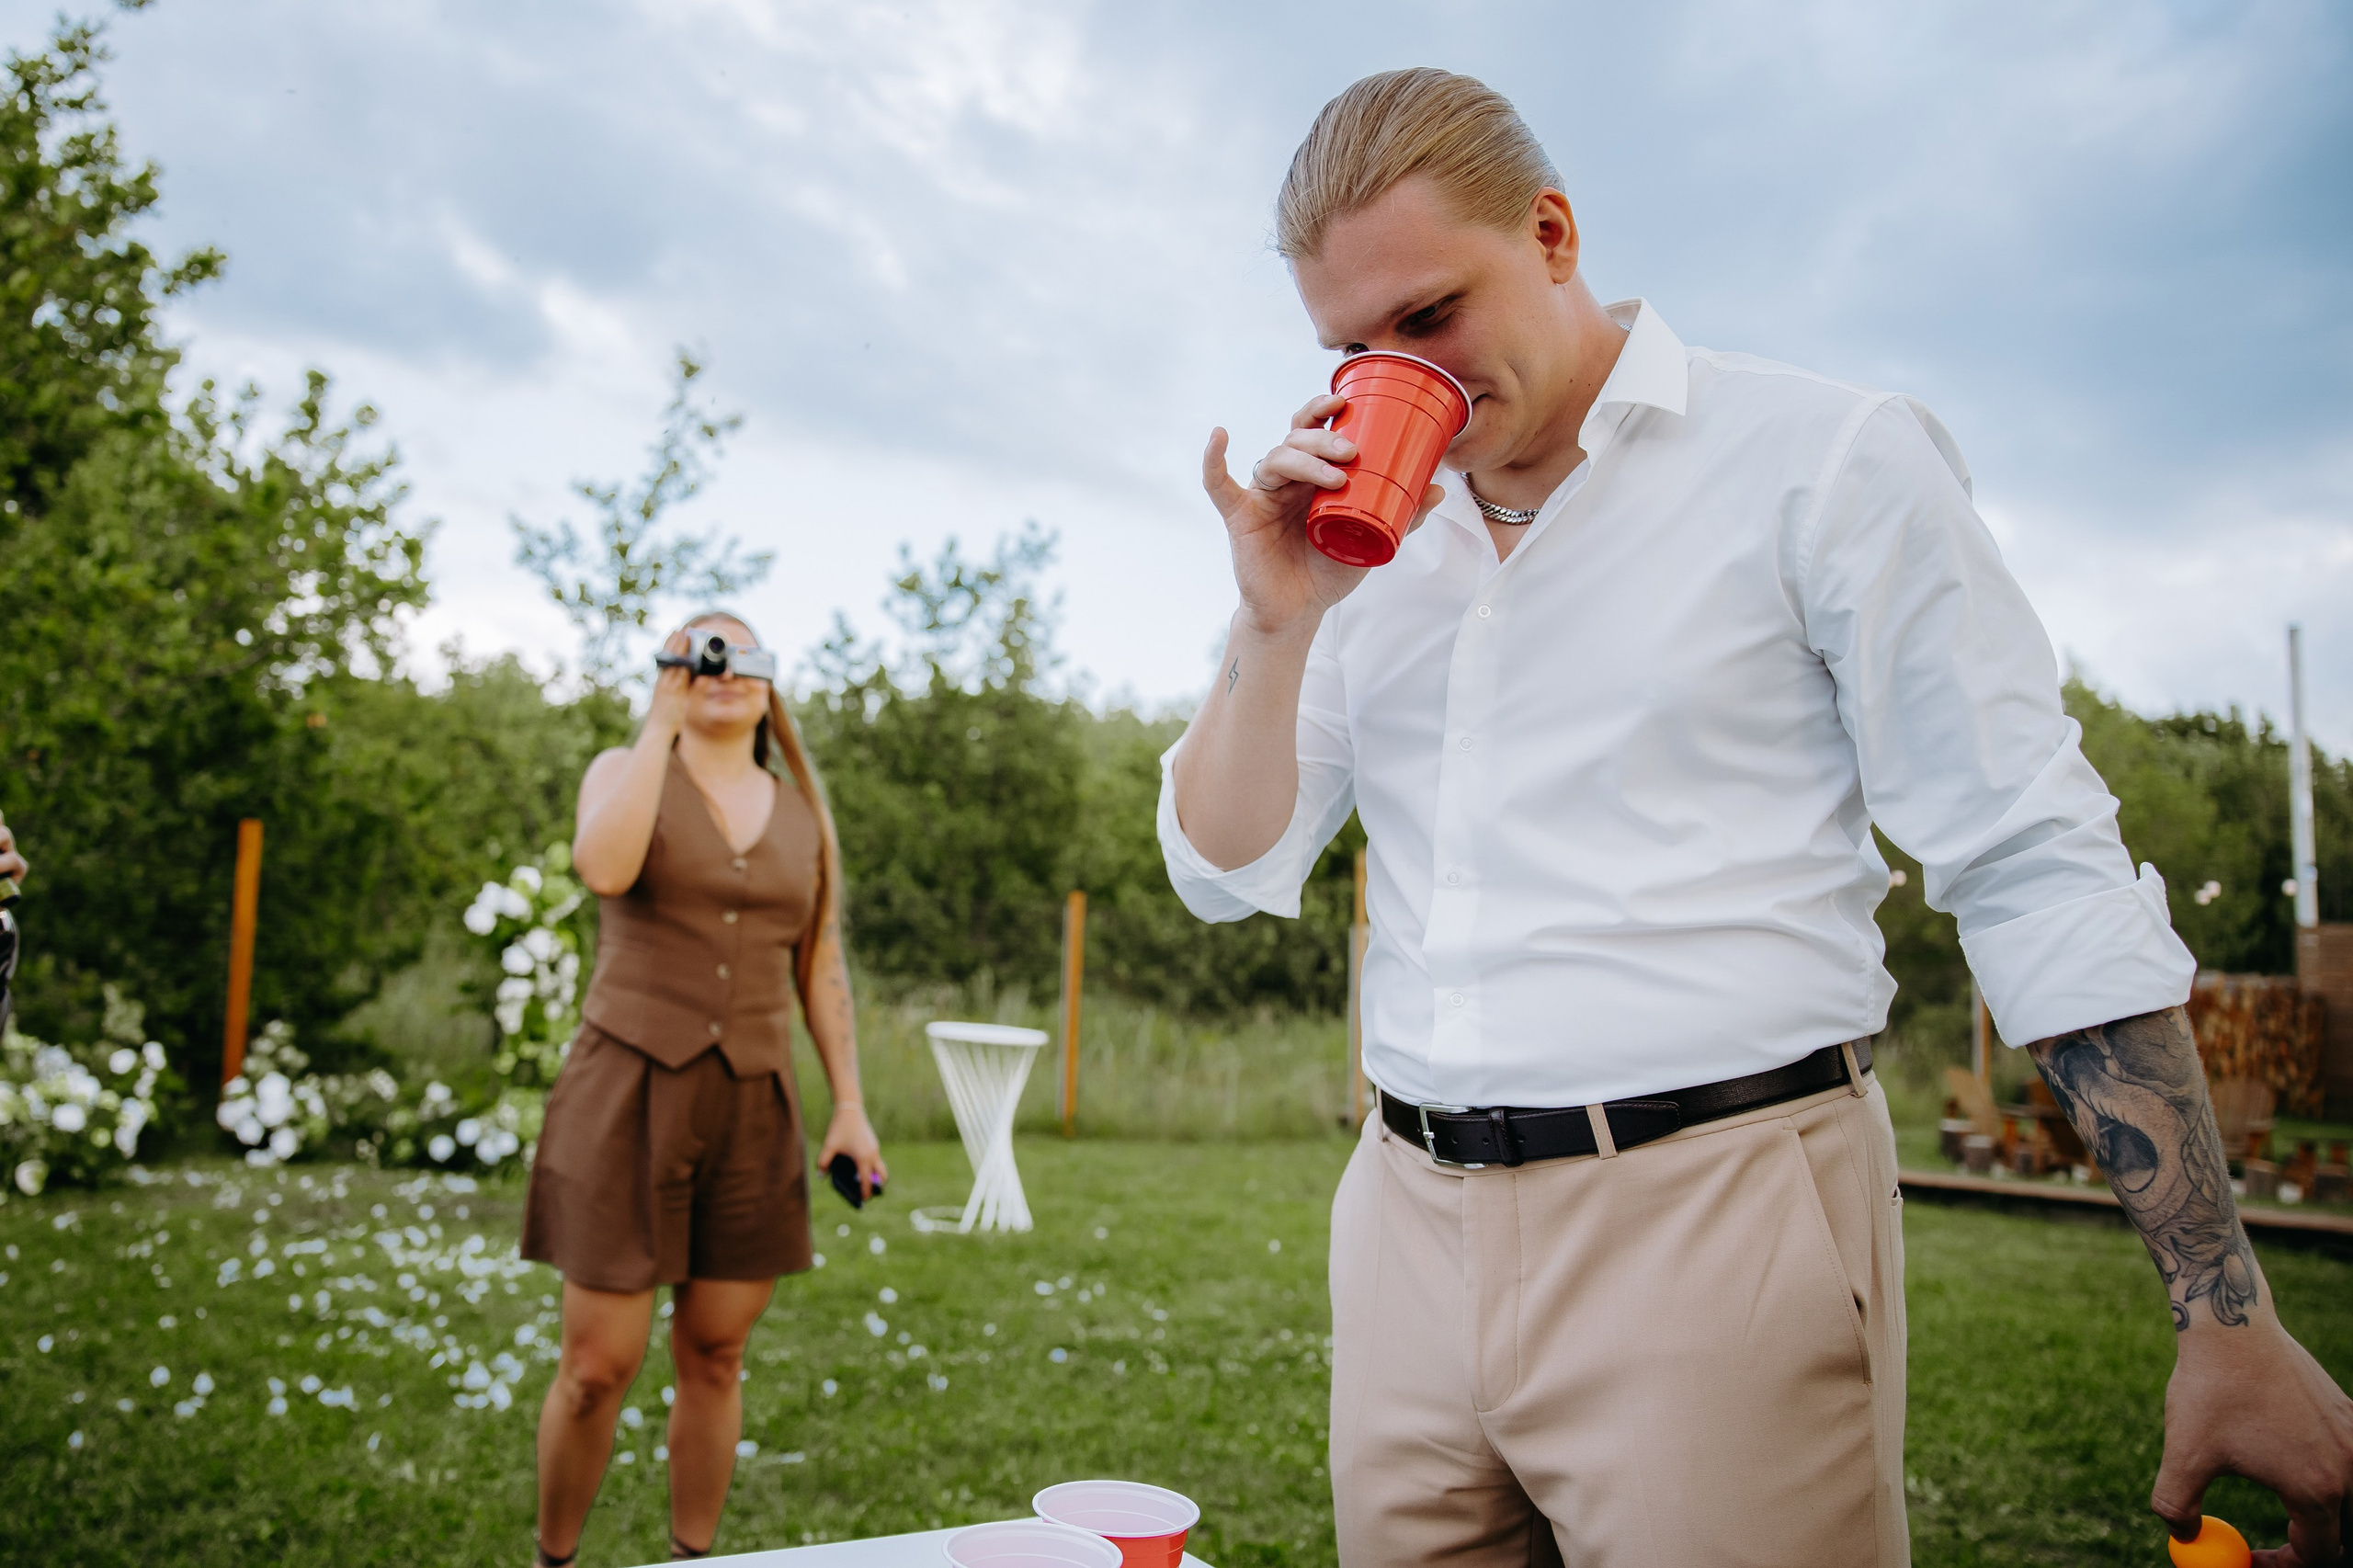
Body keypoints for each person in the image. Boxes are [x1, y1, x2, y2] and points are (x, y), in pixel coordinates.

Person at [1161, 68, 2353, 1568]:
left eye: (1432, 315)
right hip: (1403, 1217)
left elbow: (2029, 859)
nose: (1402, 374)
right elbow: (1223, 869)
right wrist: (1276, 623)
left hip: (1715, 1211)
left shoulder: (1824, 461)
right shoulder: (1364, 548)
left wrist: (2222, 1309)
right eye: (1353, 348)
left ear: (1552, 232)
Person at [524, 611, 884, 1566]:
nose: (720, 669)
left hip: (752, 1106)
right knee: (596, 1368)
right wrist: (660, 723)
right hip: (625, 1096)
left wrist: (849, 1106)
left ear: (770, 683)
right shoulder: (622, 769)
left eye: (739, 655)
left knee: (717, 1353)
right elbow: (603, 868)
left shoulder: (802, 813)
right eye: (696, 654)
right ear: (668, 672)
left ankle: (694, 1560)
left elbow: (821, 965)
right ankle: (553, 1559)